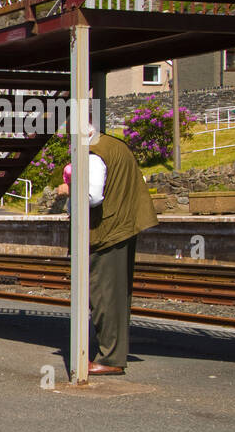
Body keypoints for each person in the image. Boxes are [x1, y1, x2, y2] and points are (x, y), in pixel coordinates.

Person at [56, 127, 159, 375]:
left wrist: (67, 189)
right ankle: (112, 354)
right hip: (122, 226)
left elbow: (92, 195)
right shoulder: (114, 144)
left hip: (107, 231)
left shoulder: (93, 153)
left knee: (104, 295)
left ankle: (110, 359)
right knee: (115, 296)